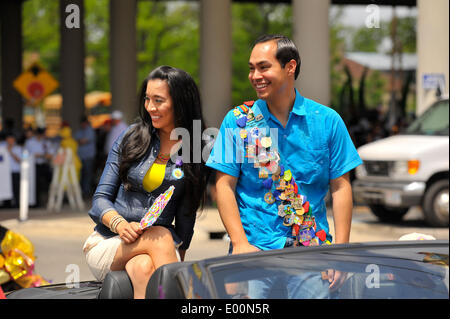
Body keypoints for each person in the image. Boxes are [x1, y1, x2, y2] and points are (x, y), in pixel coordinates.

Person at [206, 34, 363, 298]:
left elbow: (340, 186)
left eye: (264, 67)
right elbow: (223, 186)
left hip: (311, 251)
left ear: (290, 67)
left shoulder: (327, 121)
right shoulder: (238, 121)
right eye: (251, 68)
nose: (255, 75)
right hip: (255, 248)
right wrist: (239, 243)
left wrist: (340, 251)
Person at [83, 66, 210, 299]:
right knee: (161, 235)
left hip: (155, 248)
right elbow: (99, 200)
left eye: (159, 100)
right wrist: (120, 224)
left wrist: (178, 255)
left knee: (143, 268)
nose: (150, 107)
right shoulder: (131, 136)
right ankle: (191, 299)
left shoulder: (194, 149)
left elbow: (186, 214)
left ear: (181, 103)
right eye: (147, 99)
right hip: (109, 242)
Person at [74, 116, 97, 198]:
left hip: (88, 157)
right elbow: (76, 140)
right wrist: (81, 141)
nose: (83, 125)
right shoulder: (80, 131)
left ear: (86, 123)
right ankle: (82, 192)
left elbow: (83, 141)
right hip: (80, 157)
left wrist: (80, 141)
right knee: (81, 175)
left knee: (88, 175)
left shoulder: (90, 130)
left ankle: (86, 192)